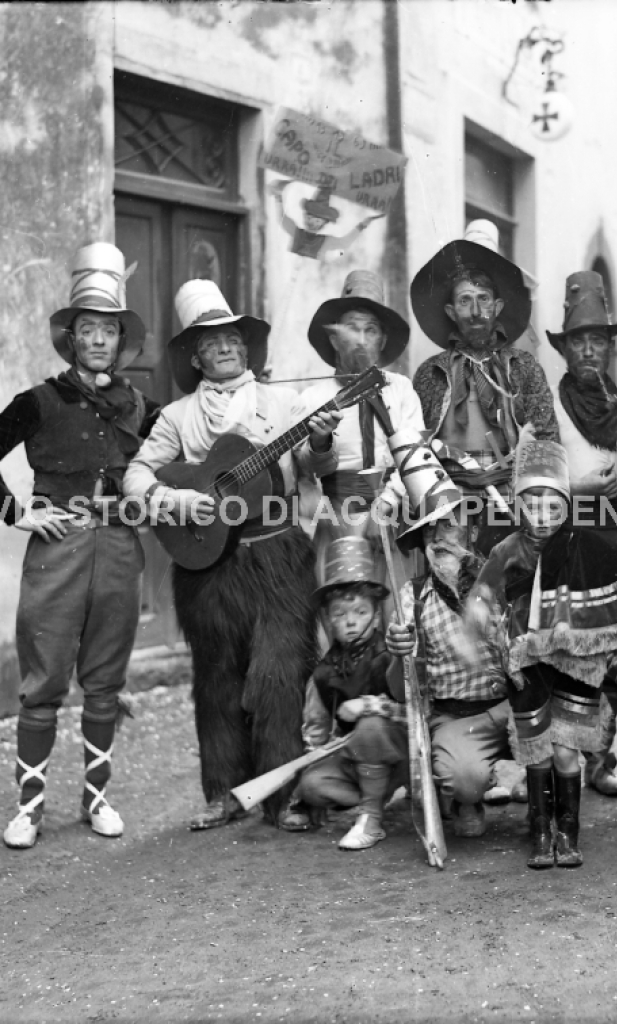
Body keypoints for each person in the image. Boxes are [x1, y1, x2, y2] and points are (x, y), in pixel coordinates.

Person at [123, 279, 342, 831]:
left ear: (246, 347)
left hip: (277, 556)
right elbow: (135, 477)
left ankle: (283, 795)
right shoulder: (175, 416)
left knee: (279, 672)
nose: (224, 347)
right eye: (211, 340)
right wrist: (179, 500)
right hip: (208, 563)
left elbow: (318, 470)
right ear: (194, 356)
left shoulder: (282, 402)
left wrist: (318, 442)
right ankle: (222, 793)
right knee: (216, 677)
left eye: (232, 337)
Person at [2, 243, 158, 850]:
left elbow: (183, 453)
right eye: (87, 329)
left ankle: (96, 798)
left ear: (121, 342)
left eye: (108, 331)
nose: (98, 340)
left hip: (119, 550)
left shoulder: (141, 407)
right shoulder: (39, 401)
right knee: (43, 682)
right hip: (57, 551)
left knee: (104, 681)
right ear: (71, 338)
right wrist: (19, 512)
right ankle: (29, 808)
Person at [465, 440, 617, 868]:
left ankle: (568, 831)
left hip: (578, 667)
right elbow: (481, 600)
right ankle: (539, 833)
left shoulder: (588, 547)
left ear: (566, 504)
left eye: (551, 505)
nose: (540, 515)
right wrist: (494, 642)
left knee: (565, 751)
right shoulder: (506, 551)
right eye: (531, 504)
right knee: (537, 749)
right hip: (527, 667)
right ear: (517, 505)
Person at [546, 269, 617, 797]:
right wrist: (578, 487)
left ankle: (603, 756)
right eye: (578, 342)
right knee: (581, 649)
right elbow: (540, 473)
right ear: (565, 349)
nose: (588, 351)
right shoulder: (548, 404)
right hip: (573, 535)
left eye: (597, 341)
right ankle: (579, 752)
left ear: (610, 348)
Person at [411, 220, 559, 551]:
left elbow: (547, 443)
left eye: (484, 299)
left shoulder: (524, 368)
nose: (476, 311)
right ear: (451, 310)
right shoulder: (430, 373)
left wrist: (539, 510)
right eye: (465, 300)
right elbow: (412, 449)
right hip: (448, 505)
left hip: (511, 503)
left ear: (498, 306)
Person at [384, 498, 514, 839]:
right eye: (429, 528)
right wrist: (400, 655)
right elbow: (400, 692)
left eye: (448, 524)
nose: (437, 536)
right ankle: (465, 798)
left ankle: (551, 814)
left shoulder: (503, 583)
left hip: (513, 707)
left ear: (472, 532)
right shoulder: (411, 599)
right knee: (466, 780)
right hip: (457, 719)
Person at [304, 269, 424, 579]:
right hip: (337, 518)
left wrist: (385, 505)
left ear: (382, 339)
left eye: (371, 330)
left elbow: (415, 455)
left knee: (395, 616)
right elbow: (304, 471)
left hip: (393, 512)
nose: (361, 339)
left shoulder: (400, 389)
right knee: (344, 614)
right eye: (351, 329)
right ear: (333, 337)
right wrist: (320, 443)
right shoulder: (313, 398)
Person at [293, 537, 407, 850]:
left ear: (376, 615)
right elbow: (315, 728)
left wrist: (369, 706)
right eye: (341, 615)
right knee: (313, 785)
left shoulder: (391, 655)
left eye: (359, 611)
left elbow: (418, 713)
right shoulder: (323, 673)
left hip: (401, 751)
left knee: (370, 727)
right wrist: (314, 755)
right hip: (355, 759)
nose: (351, 621)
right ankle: (375, 798)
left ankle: (372, 816)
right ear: (329, 621)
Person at [270, 181, 381, 262]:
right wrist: (278, 198)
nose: (312, 223)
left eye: (317, 221)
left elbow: (344, 243)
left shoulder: (324, 242)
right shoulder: (298, 233)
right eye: (309, 218)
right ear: (304, 217)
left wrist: (362, 226)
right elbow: (282, 219)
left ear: (324, 223)